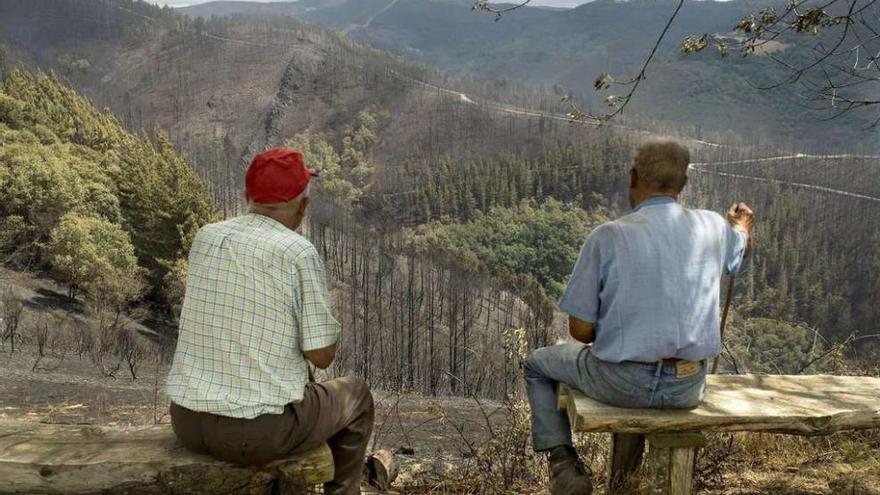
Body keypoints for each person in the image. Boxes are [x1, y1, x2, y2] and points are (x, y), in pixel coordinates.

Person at [524, 140, 753, 495]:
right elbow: (738, 252)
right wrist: (740, 225)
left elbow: (581, 332)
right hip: (687, 386)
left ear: (633, 177)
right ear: (682, 185)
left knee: (537, 364)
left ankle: (563, 464)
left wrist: (624, 326)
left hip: (621, 382)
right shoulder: (712, 227)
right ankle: (623, 484)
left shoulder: (608, 236)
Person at [165, 148, 374, 495]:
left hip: (187, 422)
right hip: (256, 434)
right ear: (304, 206)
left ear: (247, 197)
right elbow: (322, 355)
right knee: (357, 395)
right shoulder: (297, 252)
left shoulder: (207, 237)